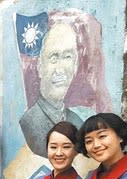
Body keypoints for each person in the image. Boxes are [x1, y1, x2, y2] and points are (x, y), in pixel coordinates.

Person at [19, 23, 85, 157]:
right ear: (40, 66)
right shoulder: (28, 122)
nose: (60, 69)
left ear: (75, 65)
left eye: (67, 57)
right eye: (53, 58)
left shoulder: (78, 122)